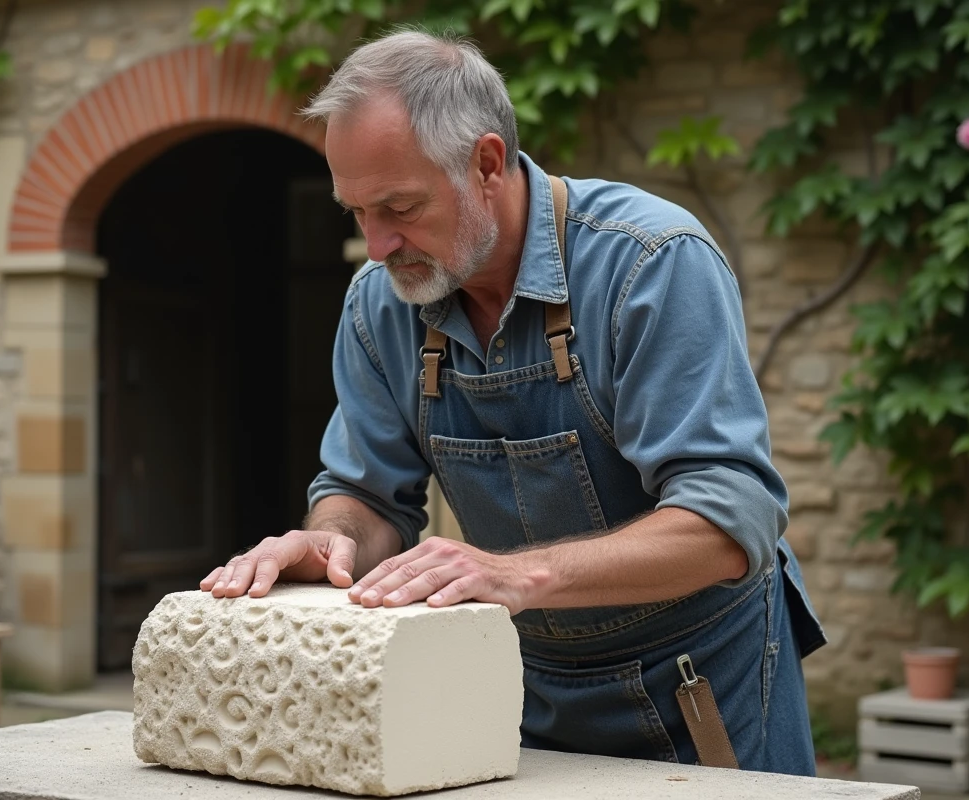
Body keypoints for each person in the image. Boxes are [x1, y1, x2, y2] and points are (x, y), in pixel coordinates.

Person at [200, 28, 826, 774]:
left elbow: (729, 520)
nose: (376, 245)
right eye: (356, 212)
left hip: (701, 686)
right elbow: (365, 496)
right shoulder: (379, 306)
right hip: (517, 687)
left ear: (487, 164)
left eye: (399, 207)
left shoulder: (651, 265)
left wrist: (519, 577)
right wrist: (331, 541)